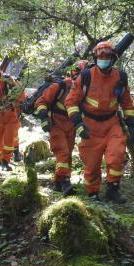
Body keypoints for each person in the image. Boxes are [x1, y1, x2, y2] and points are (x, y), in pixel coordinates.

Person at [65, 42, 134, 203]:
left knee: (117, 156)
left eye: (107, 57)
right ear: (95, 58)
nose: (103, 60)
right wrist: (78, 124)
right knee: (91, 164)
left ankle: (113, 189)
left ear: (113, 58)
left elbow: (127, 102)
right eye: (100, 57)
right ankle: (93, 193)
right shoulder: (86, 76)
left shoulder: (120, 77)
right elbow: (71, 102)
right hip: (91, 125)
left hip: (112, 123)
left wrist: (131, 124)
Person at [34, 60, 89, 195]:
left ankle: (58, 182)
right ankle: (65, 181)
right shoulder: (61, 86)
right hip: (56, 123)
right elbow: (41, 101)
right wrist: (44, 118)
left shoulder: (86, 89)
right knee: (62, 151)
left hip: (72, 124)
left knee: (67, 154)